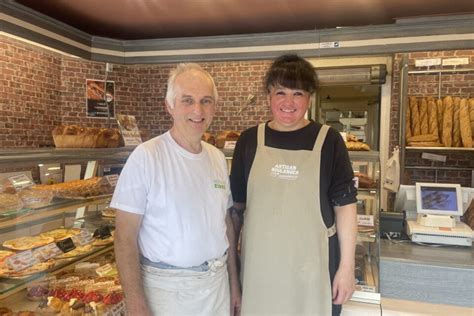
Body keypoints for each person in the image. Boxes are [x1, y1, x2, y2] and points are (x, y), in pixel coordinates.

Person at [230, 54, 357, 316]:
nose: (289, 102)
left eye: (298, 93)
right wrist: (232, 275)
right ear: (268, 96)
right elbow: (236, 212)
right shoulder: (249, 141)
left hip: (313, 272)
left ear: (309, 97)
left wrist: (347, 268)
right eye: (280, 92)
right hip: (259, 273)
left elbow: (345, 208)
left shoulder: (329, 141)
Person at [111, 63, 241, 316]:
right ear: (169, 106)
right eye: (187, 100)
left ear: (215, 106)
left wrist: (234, 283)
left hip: (217, 285)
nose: (197, 110)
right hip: (166, 292)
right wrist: (136, 304)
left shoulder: (216, 157)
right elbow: (124, 238)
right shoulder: (146, 156)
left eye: (206, 101)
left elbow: (224, 224)